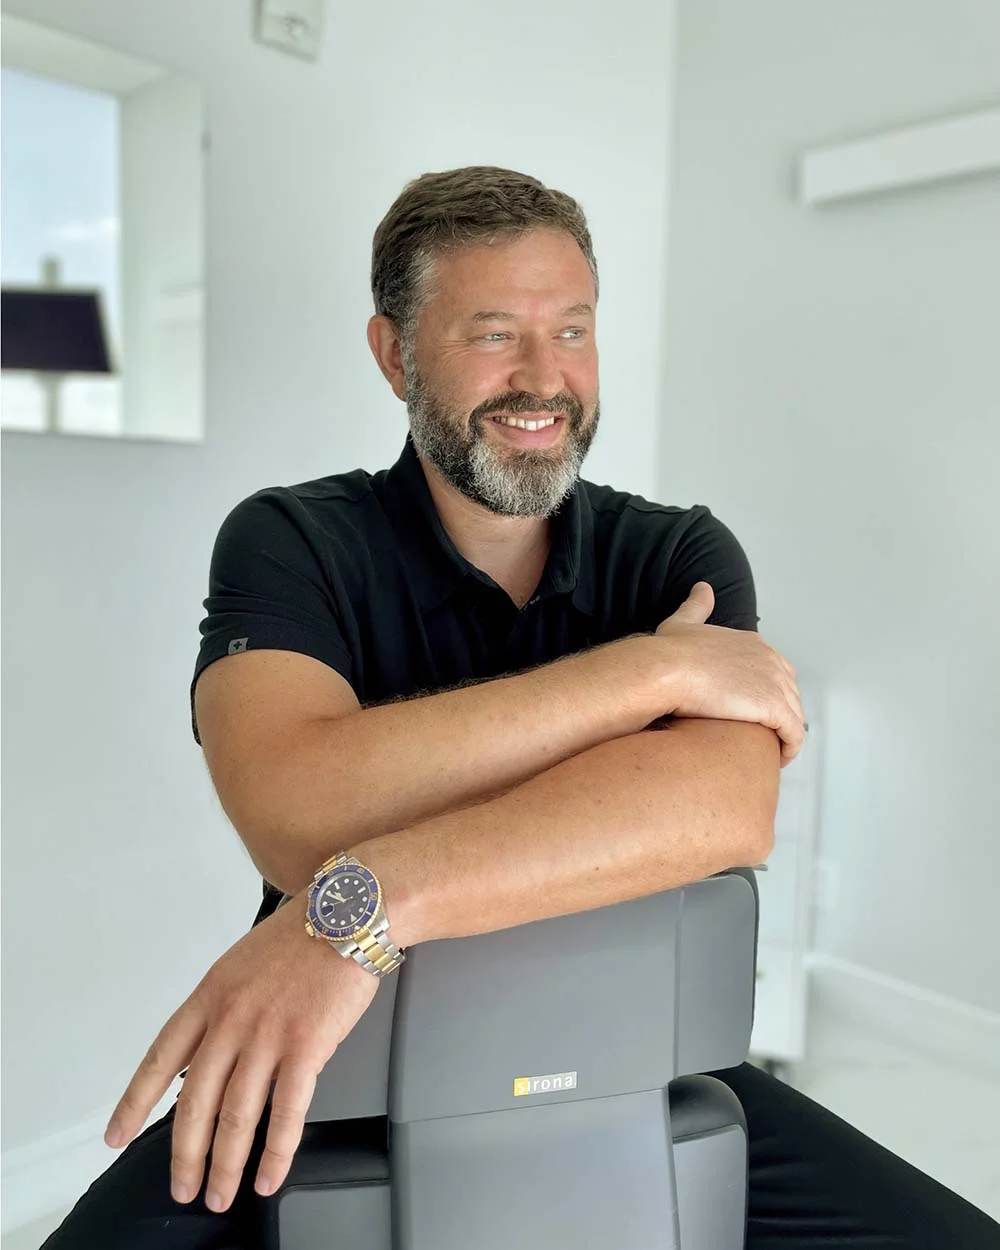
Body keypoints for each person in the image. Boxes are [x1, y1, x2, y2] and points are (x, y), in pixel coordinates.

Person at [43, 167, 1000, 1250]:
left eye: (574, 330)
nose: (543, 378)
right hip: (334, 1075)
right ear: (395, 353)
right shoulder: (290, 541)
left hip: (644, 1056)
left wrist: (365, 903)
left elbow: (722, 807)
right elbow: (297, 807)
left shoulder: (677, 552)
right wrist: (647, 676)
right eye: (493, 334)